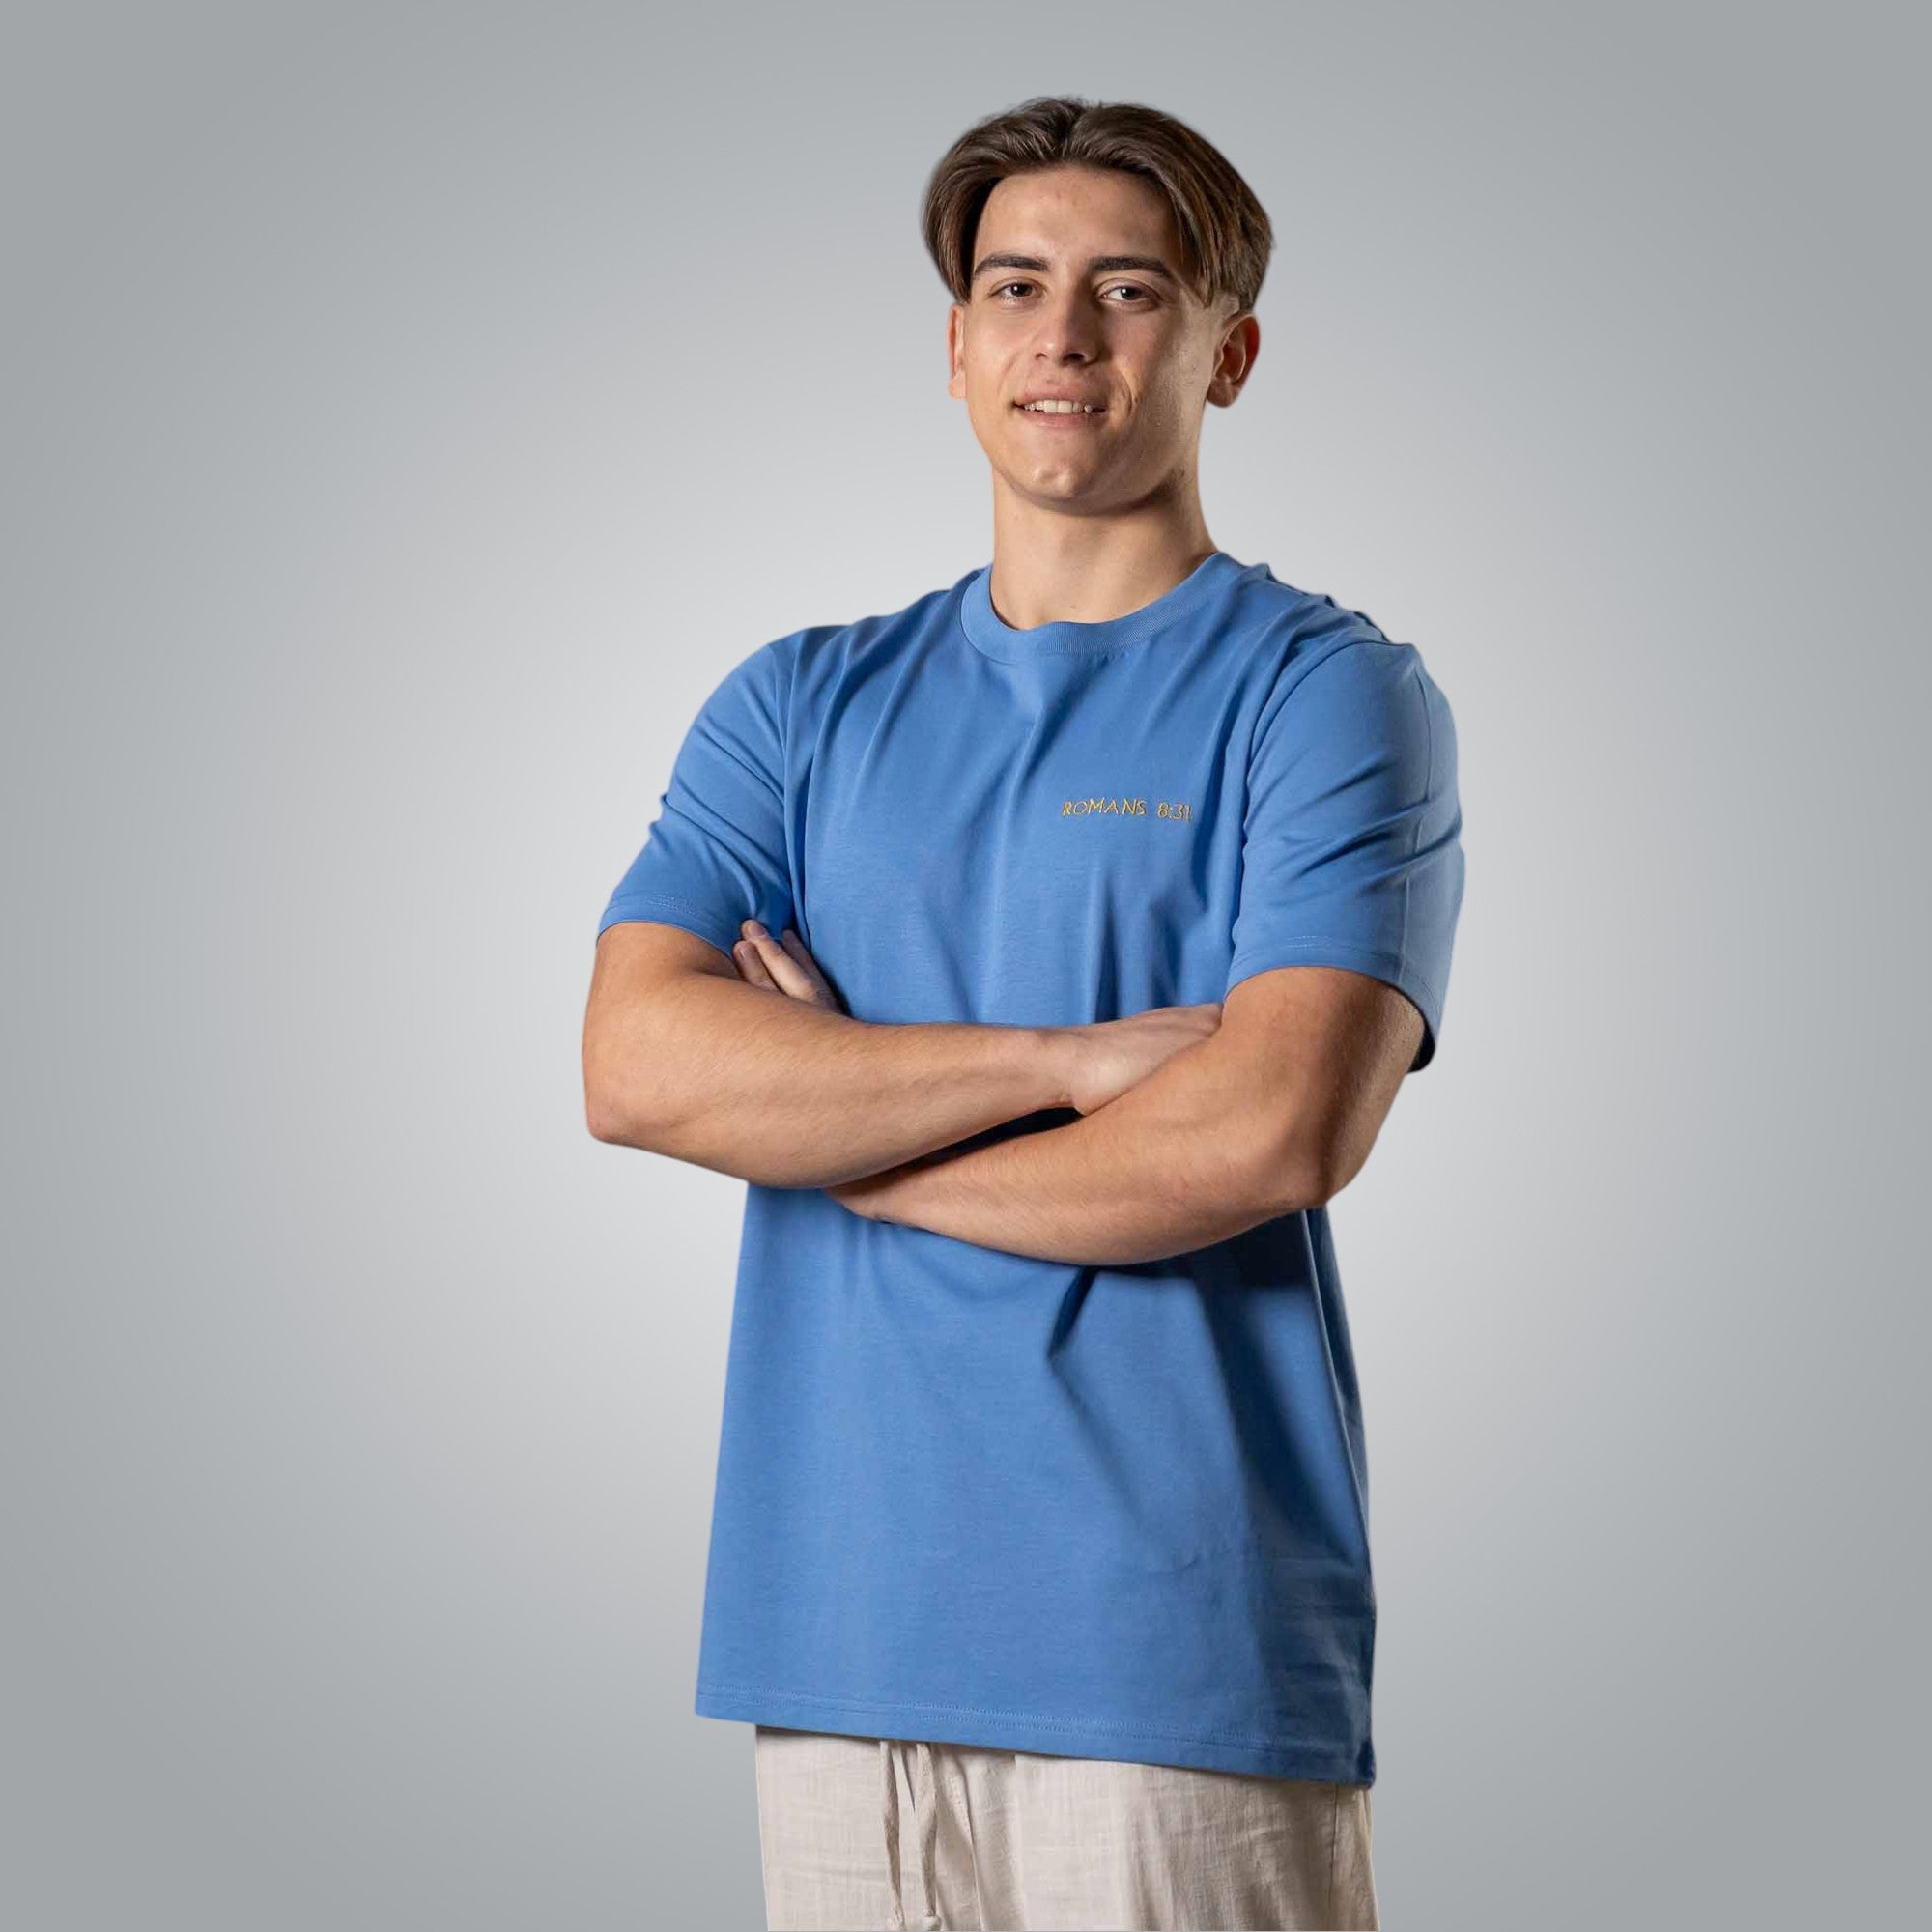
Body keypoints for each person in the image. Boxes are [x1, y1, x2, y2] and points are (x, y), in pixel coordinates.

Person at [582, 93, 1465, 1932]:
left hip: (1175, 1659)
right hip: (836, 1646)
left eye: (1127, 289)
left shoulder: (1325, 700)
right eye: (1015, 285)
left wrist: (838, 1142)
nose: (1063, 337)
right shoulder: (799, 705)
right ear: (958, 344)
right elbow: (638, 1061)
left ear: (1226, 351)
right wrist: (1066, 1069)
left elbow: (1266, 1130)